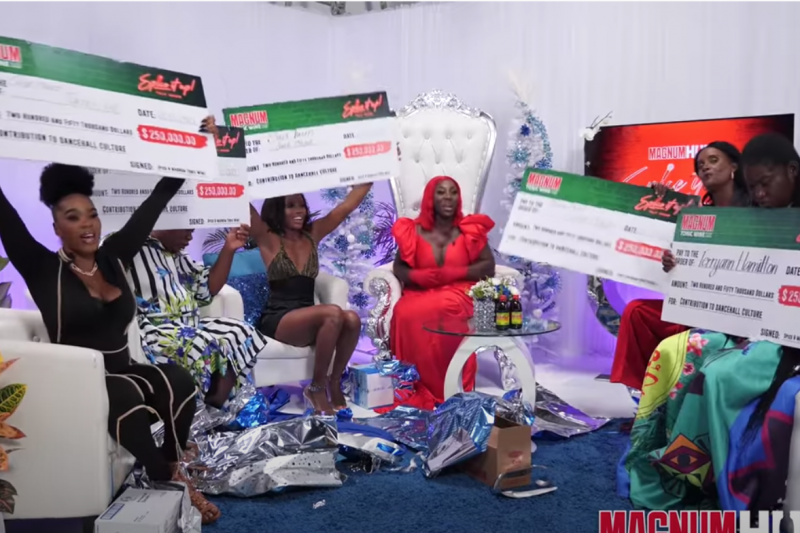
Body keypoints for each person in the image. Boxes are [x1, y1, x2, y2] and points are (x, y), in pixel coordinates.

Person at [0, 147, 223, 522]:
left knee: (178, 380)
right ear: (57, 229)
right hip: (80, 377)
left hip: (123, 366)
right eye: (73, 218)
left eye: (92, 214)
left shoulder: (114, 256)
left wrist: (194, 151)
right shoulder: (42, 268)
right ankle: (165, 475)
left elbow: (156, 202)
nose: (87, 225)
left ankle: (172, 460)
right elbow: (5, 216)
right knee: (124, 394)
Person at [625, 133, 800, 511]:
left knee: (716, 374)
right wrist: (683, 265)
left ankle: (714, 480)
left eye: (766, 184)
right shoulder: (750, 220)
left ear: (792, 171)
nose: (760, 194)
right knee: (675, 350)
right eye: (754, 187)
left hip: (788, 344)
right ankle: (673, 465)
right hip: (744, 328)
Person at [610, 142, 752, 391]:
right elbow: (684, 264)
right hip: (697, 306)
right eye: (700, 165)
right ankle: (650, 398)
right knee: (637, 311)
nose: (705, 167)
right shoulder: (694, 215)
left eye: (713, 160)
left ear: (734, 166)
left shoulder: (757, 211)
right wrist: (672, 263)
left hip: (739, 311)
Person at [249, 185, 372, 414]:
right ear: (277, 209)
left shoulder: (312, 234)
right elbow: (244, 208)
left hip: (308, 316)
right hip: (279, 318)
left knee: (352, 319)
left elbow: (346, 207)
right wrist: (227, 179)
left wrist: (371, 175)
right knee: (333, 313)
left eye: (301, 205)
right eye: (290, 206)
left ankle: (334, 381)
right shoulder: (268, 237)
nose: (299, 211)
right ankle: (316, 388)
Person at [125, 226, 267, 408]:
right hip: (152, 332)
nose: (190, 238)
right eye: (187, 231)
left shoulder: (178, 255)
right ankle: (202, 412)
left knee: (242, 332)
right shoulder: (129, 246)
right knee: (203, 344)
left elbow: (207, 289)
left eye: (192, 232)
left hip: (191, 326)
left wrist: (229, 248)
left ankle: (217, 409)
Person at [389, 176, 495, 410]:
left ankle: (449, 387)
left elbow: (488, 266)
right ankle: (414, 385)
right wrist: (417, 276)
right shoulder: (412, 230)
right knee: (404, 311)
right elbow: (399, 267)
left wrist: (455, 272)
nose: (448, 197)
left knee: (445, 305)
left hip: (460, 291)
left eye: (453, 192)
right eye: (441, 192)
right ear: (430, 197)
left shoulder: (469, 229)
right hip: (421, 291)